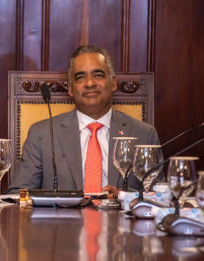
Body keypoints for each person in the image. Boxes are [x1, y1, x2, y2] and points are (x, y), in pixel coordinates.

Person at [9, 45, 160, 194]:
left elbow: (159, 197)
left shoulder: (144, 134)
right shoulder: (42, 134)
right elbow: (17, 195)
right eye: (80, 77)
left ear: (113, 83)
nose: (90, 83)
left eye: (98, 75)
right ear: (70, 88)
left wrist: (124, 198)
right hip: (62, 218)